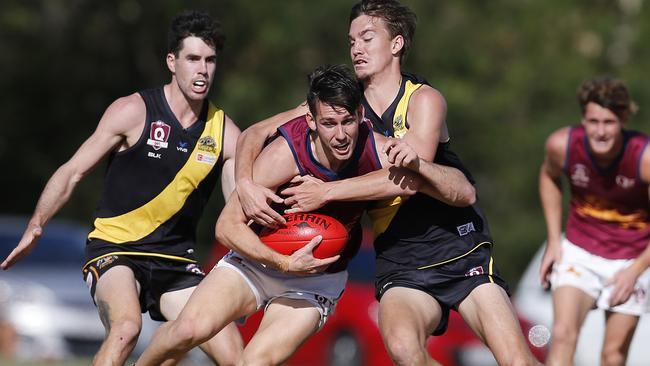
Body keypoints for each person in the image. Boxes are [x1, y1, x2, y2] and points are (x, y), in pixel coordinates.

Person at [234, 1, 540, 365]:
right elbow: (256, 132)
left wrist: (327, 191)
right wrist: (244, 183)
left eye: (367, 37)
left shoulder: (423, 100)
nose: (356, 49)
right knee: (404, 350)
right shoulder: (341, 107)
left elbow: (406, 181)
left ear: (396, 44)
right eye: (351, 41)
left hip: (457, 245)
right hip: (400, 255)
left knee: (516, 360)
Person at [134, 64, 477, 366]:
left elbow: (460, 190)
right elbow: (226, 227)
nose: (340, 134)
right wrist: (282, 262)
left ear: (360, 116)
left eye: (347, 122)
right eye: (329, 123)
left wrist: (414, 168)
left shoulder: (377, 148)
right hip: (255, 262)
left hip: (316, 279)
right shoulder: (285, 154)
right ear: (310, 120)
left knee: (254, 361)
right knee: (187, 330)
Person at [0, 10, 244, 366]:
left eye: (210, 60)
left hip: (176, 261)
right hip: (115, 250)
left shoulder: (225, 133)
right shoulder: (133, 111)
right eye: (193, 59)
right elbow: (71, 172)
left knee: (233, 353)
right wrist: (36, 227)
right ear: (171, 62)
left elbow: (237, 206)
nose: (203, 70)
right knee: (126, 328)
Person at [539, 76, 650, 366]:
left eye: (609, 122)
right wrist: (553, 240)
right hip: (580, 251)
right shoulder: (562, 145)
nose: (600, 132)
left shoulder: (644, 157)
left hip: (632, 258)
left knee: (612, 356)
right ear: (583, 119)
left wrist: (635, 271)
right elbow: (548, 177)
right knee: (563, 334)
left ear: (623, 120)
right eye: (593, 121)